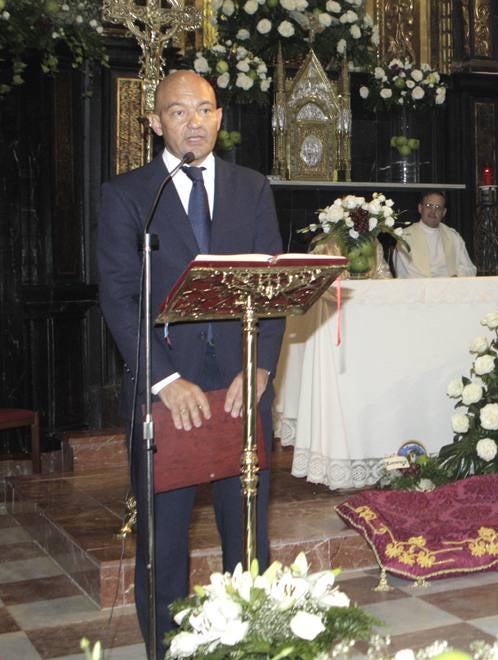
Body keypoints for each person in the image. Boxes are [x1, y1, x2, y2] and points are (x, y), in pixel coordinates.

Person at [97, 70, 283, 657]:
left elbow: (273, 288)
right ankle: (168, 649)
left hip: (238, 385)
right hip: (165, 392)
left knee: (247, 534)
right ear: (156, 123)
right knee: (165, 540)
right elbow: (121, 296)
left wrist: (259, 369)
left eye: (204, 110)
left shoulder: (251, 187)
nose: (194, 122)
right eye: (178, 112)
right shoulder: (129, 194)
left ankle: (253, 643)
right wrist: (165, 379)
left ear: (220, 117)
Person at [393, 190, 477, 278]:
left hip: (451, 289)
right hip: (420, 289)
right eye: (429, 206)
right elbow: (404, 273)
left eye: (438, 207)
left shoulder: (453, 237)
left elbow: (469, 268)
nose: (433, 211)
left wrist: (456, 278)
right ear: (420, 208)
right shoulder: (406, 237)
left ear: (444, 212)